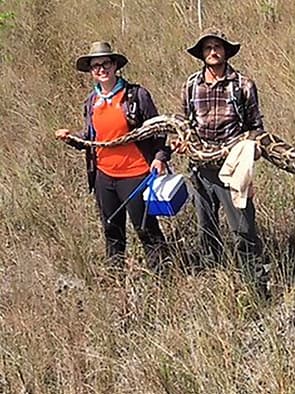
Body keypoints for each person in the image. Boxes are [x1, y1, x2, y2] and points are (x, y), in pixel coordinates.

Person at [55, 41, 170, 273]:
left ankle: (164, 277)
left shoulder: (136, 95)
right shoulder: (91, 102)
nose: (101, 69)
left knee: (145, 228)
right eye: (95, 65)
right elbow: (92, 137)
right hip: (104, 176)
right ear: (90, 71)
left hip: (136, 174)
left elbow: (159, 130)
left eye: (105, 63)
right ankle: (116, 277)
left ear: (115, 65)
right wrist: (72, 138)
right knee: (111, 229)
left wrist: (160, 157)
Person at [181, 28, 270, 297]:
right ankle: (213, 283)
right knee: (206, 229)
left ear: (226, 51)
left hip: (233, 169)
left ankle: (256, 286)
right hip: (200, 168)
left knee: (242, 228)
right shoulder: (190, 85)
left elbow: (256, 127)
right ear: (202, 53)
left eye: (217, 47)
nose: (212, 52)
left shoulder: (243, 84)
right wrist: (181, 142)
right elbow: (184, 123)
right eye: (207, 48)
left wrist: (252, 147)